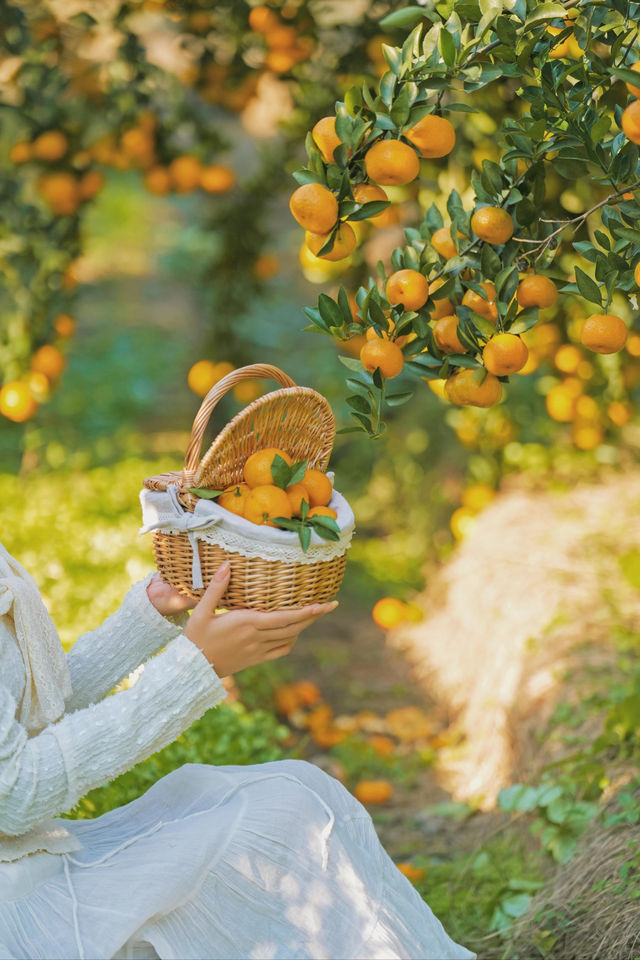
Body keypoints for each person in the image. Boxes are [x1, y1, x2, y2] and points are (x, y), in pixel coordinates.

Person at [0, 541, 474, 960]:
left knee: (299, 800)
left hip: (29, 862)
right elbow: (16, 793)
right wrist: (191, 671)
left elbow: (26, 712)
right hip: (19, 910)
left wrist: (145, 618)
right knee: (290, 824)